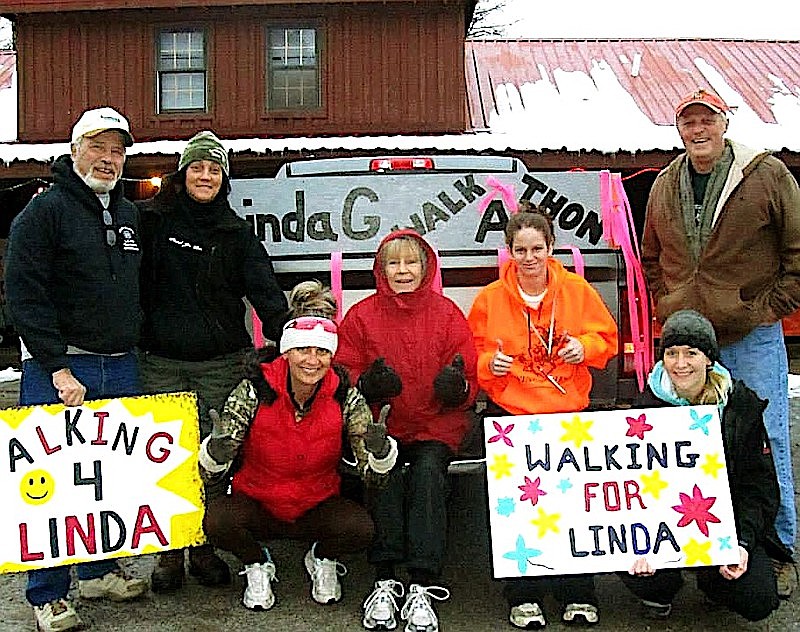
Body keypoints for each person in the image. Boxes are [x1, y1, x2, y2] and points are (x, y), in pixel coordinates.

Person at [642, 88, 800, 597]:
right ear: (679, 129)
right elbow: (650, 257)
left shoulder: (767, 174)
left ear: (724, 122)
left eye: (706, 120)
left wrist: (767, 307)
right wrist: (668, 303)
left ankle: (777, 552)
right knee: (686, 448)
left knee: (766, 440)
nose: (698, 130)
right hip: (689, 343)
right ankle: (696, 546)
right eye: (688, 122)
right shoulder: (666, 183)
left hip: (749, 335)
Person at [4, 106, 148, 631]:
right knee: (52, 486)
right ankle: (47, 595)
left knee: (108, 480)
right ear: (74, 149)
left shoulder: (129, 214)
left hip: (121, 364)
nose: (108, 160)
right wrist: (57, 368)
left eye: (117, 151)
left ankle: (98, 571)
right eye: (98, 148)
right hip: (60, 369)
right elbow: (23, 297)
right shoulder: (42, 213)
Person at [137, 130, 289, 592]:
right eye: (198, 167)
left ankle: (202, 546)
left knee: (212, 458)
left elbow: (266, 294)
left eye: (215, 169)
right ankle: (168, 554)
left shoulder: (236, 232)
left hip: (222, 363)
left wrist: (297, 347)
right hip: (159, 361)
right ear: (183, 175)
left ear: (224, 178)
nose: (206, 176)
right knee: (164, 460)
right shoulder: (149, 222)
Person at [200, 281, 398, 613]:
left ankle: (322, 557)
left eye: (321, 351)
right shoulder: (254, 389)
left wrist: (379, 455)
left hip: (315, 503)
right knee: (217, 521)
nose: (312, 360)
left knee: (360, 529)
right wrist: (216, 454)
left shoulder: (344, 395)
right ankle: (256, 563)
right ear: (287, 352)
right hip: (259, 502)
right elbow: (209, 471)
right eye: (302, 349)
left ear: (331, 356)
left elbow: (374, 479)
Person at [467, 205, 617, 628]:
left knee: (572, 508)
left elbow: (607, 338)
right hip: (512, 420)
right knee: (518, 510)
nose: (529, 257)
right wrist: (487, 365)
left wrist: (584, 348)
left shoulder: (578, 290)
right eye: (520, 249)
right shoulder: (490, 298)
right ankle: (523, 594)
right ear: (508, 252)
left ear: (552, 248)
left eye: (537, 248)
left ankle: (578, 592)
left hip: (567, 415)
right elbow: (469, 353)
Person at [335, 229, 478, 632]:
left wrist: (458, 388)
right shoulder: (362, 315)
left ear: (425, 266)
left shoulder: (447, 313)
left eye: (410, 262)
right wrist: (367, 383)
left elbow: (467, 369)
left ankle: (422, 581)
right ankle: (384, 578)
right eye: (393, 263)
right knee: (384, 477)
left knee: (429, 477)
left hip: (436, 423)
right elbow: (345, 368)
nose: (402, 271)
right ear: (381, 270)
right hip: (383, 424)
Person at [619, 309, 791, 622]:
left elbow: (759, 486)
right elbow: (631, 482)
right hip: (664, 526)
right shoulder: (646, 407)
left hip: (723, 524)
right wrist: (639, 540)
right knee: (629, 561)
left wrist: (742, 542)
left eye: (691, 354)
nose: (680, 364)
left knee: (758, 598)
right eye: (671, 353)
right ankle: (660, 590)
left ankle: (714, 583)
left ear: (709, 358)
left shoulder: (740, 405)